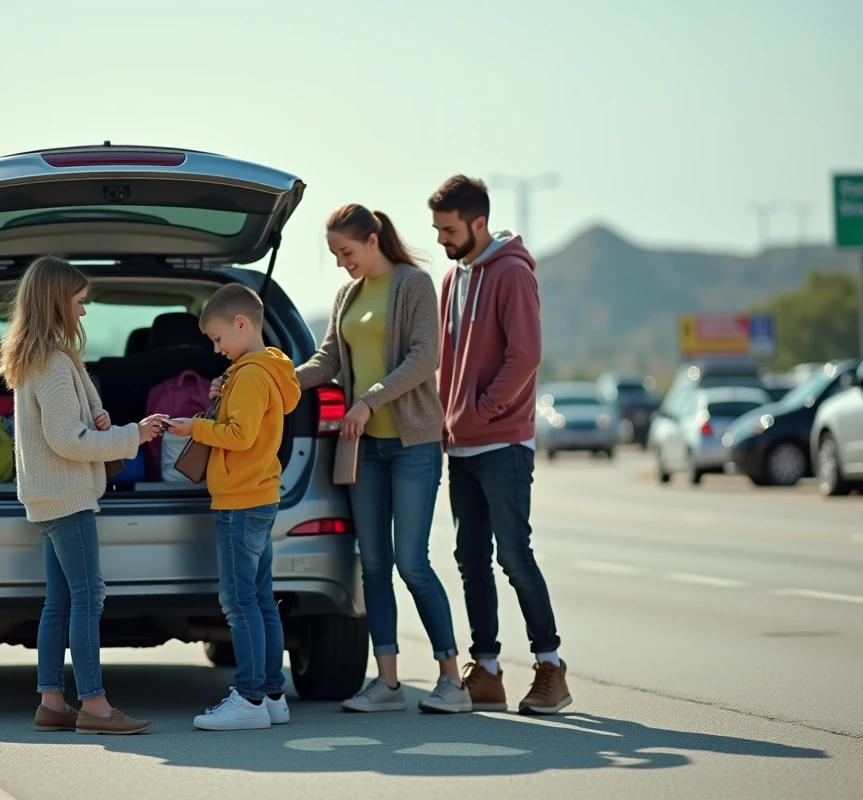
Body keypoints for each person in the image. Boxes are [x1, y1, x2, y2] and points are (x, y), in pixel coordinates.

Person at [294, 204, 470, 714]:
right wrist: (274, 376)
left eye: (345, 252)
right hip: (364, 450)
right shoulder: (347, 295)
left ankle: (451, 681)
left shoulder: (414, 284)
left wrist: (369, 398)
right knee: (373, 566)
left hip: (412, 443)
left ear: (372, 240)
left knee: (411, 561)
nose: (340, 262)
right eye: (334, 254)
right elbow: (328, 360)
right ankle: (388, 683)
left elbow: (424, 357)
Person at [0, 255, 167, 735]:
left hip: (50, 497)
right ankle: (94, 705)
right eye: (79, 302)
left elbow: (66, 429)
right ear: (56, 302)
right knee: (88, 598)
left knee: (60, 602)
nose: (84, 312)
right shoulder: (51, 363)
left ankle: (52, 701)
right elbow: (67, 443)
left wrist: (101, 422)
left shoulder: (39, 359)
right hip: (66, 497)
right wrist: (135, 433)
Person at [428, 175, 572, 715]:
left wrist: (482, 410)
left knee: (513, 553)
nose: (442, 238)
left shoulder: (511, 273)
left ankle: (552, 667)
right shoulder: (453, 278)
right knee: (470, 557)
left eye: (448, 228)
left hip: (504, 442)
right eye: (437, 229)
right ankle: (486, 671)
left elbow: (526, 354)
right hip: (461, 445)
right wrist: (449, 417)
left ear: (478, 223)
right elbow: (449, 361)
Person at [167, 283, 301, 731]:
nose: (216, 348)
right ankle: (272, 695)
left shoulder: (249, 375)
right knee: (262, 601)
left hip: (239, 502)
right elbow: (249, 428)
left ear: (242, 324)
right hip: (261, 497)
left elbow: (240, 437)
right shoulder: (270, 370)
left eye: (218, 338)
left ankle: (248, 698)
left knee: (239, 602)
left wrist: (195, 429)